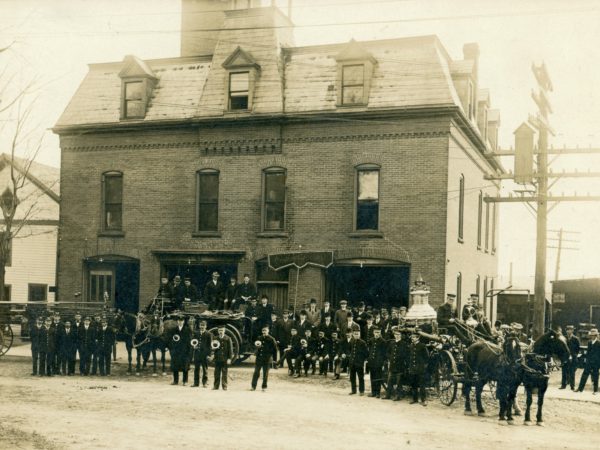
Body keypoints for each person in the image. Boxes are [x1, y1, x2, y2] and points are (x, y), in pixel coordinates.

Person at [251, 325, 278, 391]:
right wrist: (256, 349)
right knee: (256, 373)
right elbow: (256, 347)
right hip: (259, 358)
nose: (264, 332)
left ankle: (264, 387)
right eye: (263, 330)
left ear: (268, 331)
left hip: (267, 359)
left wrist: (274, 360)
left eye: (265, 330)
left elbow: (275, 350)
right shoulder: (259, 338)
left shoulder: (272, 339)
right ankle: (253, 386)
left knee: (265, 374)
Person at [385, 327, 408, 401]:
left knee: (399, 382)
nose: (397, 336)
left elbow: (405, 354)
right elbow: (388, 352)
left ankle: (398, 396)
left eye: (398, 334)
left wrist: (400, 360)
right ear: (394, 335)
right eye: (396, 334)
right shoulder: (392, 343)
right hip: (392, 365)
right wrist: (390, 358)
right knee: (389, 381)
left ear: (401, 335)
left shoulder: (404, 344)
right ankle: (388, 395)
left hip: (399, 366)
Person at [407, 329, 429, 405]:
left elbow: (426, 358)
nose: (412, 338)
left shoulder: (422, 346)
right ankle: (415, 399)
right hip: (412, 369)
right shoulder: (410, 346)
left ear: (418, 338)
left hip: (420, 369)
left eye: (414, 337)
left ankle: (423, 400)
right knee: (414, 384)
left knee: (422, 385)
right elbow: (409, 357)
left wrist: (423, 367)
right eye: (412, 337)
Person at [168, 315, 191, 385]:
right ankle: (175, 381)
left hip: (184, 351)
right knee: (175, 365)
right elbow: (170, 340)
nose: (180, 322)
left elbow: (189, 341)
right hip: (176, 351)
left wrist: (188, 351)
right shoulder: (173, 329)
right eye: (179, 321)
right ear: (177, 322)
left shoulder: (188, 329)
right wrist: (172, 350)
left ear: (184, 322)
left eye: (182, 321)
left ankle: (185, 381)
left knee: (185, 366)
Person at [577, 328, 600, 394]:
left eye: (593, 335)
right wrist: (586, 360)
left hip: (596, 363)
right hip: (589, 362)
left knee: (595, 376)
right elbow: (588, 353)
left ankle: (595, 390)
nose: (592, 336)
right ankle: (580, 389)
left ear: (596, 336)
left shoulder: (599, 343)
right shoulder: (589, 343)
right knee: (584, 375)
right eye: (591, 335)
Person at [367, 326, 387, 398]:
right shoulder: (371, 340)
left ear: (380, 333)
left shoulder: (383, 341)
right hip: (372, 362)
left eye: (378, 332)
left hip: (378, 363)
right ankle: (373, 392)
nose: (376, 334)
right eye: (375, 332)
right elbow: (369, 350)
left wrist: (382, 363)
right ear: (373, 332)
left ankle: (378, 393)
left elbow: (384, 354)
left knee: (378, 377)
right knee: (372, 377)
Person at [191, 320, 212, 387]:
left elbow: (210, 346)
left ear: (206, 326)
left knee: (205, 369)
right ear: (199, 326)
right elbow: (193, 341)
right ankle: (196, 383)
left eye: (203, 325)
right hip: (197, 354)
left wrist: (209, 355)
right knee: (196, 369)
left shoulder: (209, 334)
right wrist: (194, 346)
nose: (202, 327)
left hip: (204, 355)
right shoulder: (196, 333)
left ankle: (204, 383)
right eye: (201, 325)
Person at [212, 324, 233, 390]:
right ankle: (216, 386)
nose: (221, 332)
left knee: (224, 373)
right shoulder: (215, 338)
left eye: (222, 330)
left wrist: (229, 358)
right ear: (218, 331)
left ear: (224, 331)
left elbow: (230, 349)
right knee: (216, 373)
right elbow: (213, 348)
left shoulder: (228, 338)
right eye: (219, 330)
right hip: (217, 358)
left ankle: (224, 386)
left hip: (225, 358)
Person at [348, 329, 368, 396]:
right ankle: (353, 390)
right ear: (353, 334)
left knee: (360, 377)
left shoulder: (363, 343)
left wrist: (362, 361)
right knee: (352, 377)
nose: (356, 335)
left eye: (357, 334)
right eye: (355, 334)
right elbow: (349, 350)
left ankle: (361, 391)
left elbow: (366, 353)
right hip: (352, 363)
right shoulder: (351, 341)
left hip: (359, 363)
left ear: (359, 335)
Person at [560, 325, 581, 390]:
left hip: (573, 357)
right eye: (567, 330)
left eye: (570, 330)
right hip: (565, 357)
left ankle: (572, 386)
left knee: (572, 372)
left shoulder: (576, 339)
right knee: (564, 371)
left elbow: (578, 349)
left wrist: (573, 355)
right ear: (566, 331)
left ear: (572, 331)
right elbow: (561, 348)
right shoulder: (563, 338)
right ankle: (563, 385)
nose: (569, 331)